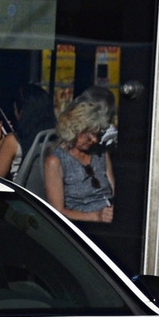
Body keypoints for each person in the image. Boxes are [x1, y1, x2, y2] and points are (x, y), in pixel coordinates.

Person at [43, 91, 115, 226]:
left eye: (97, 135)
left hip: (109, 219)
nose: (94, 140)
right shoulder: (56, 161)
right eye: (89, 135)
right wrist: (95, 217)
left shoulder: (101, 153)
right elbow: (57, 211)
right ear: (75, 130)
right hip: (82, 226)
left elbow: (114, 191)